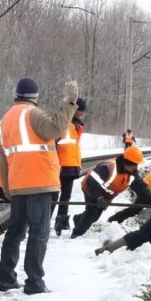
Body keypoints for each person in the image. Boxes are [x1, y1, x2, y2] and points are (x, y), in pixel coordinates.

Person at [0, 77, 79, 294]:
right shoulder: (32, 113)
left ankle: (6, 278)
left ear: (16, 93)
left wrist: (7, 189)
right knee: (38, 233)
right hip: (40, 182)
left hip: (18, 185)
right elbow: (55, 129)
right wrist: (70, 102)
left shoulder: (5, 119)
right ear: (35, 96)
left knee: (15, 232)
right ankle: (34, 283)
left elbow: (3, 160)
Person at [70, 147, 151, 238]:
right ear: (127, 162)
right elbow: (92, 181)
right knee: (91, 214)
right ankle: (76, 235)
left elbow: (142, 188)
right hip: (91, 189)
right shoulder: (108, 167)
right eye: (134, 164)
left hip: (105, 196)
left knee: (94, 217)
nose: (136, 167)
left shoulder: (132, 173)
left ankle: (72, 219)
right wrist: (98, 197)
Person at [53, 97, 87, 236]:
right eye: (82, 110)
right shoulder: (64, 124)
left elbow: (74, 148)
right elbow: (54, 143)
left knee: (65, 196)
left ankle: (60, 223)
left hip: (71, 166)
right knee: (53, 196)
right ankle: (43, 224)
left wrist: (77, 166)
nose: (84, 113)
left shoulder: (77, 126)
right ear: (76, 110)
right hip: (60, 165)